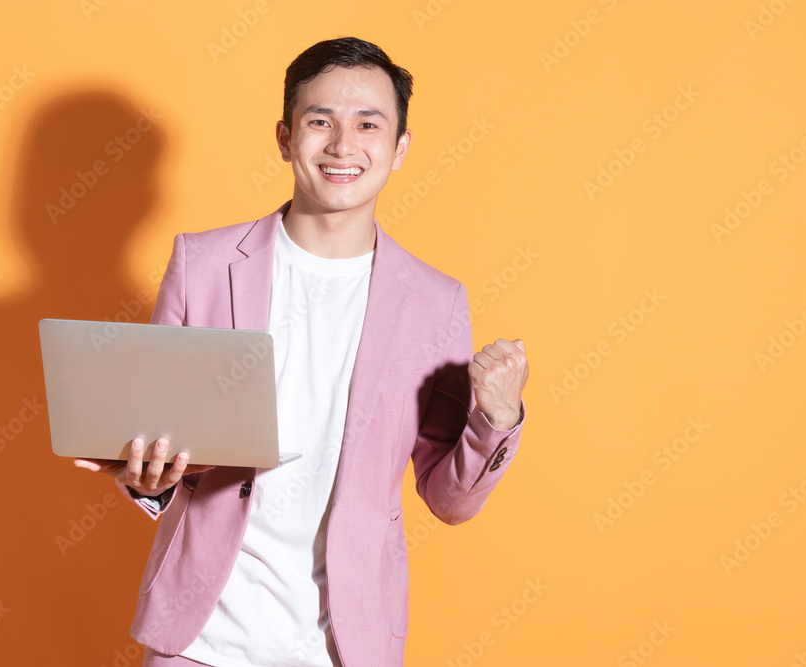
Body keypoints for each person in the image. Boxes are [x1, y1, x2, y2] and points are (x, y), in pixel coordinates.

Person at [74, 36, 529, 667]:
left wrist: (497, 419)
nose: (343, 146)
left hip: (343, 647)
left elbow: (448, 499)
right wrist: (146, 478)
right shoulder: (202, 265)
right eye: (321, 122)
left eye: (368, 124)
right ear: (287, 138)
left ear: (399, 149)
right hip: (203, 640)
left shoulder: (436, 303)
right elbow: (159, 445)